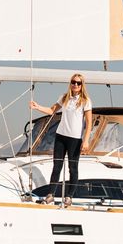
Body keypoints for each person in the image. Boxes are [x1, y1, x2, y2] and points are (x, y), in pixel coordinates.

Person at [30, 74, 93, 205]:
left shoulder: (85, 101)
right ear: (70, 83)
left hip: (75, 139)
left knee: (72, 168)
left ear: (82, 85)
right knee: (57, 166)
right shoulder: (64, 98)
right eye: (73, 82)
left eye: (78, 83)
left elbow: (89, 123)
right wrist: (37, 107)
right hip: (61, 136)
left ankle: (69, 197)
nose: (75, 85)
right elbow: (51, 110)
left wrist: (86, 141)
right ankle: (50, 195)